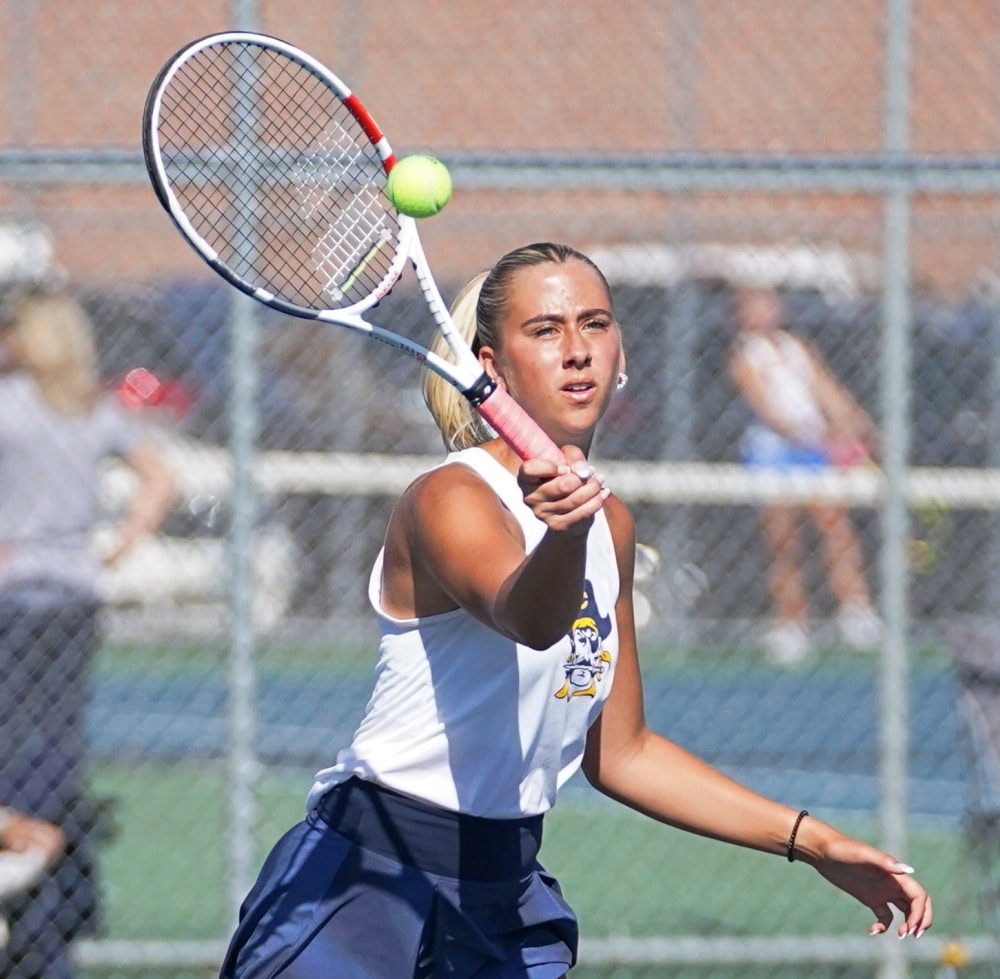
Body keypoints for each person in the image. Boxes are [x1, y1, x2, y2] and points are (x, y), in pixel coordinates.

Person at [219, 243, 931, 979]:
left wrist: (813, 842)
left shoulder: (606, 522)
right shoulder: (451, 498)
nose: (577, 350)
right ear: (490, 366)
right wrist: (564, 535)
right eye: (546, 329)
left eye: (594, 324)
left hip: (502, 890)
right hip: (366, 881)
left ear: (621, 354)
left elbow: (621, 753)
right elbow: (527, 615)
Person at [0, 287, 176, 979]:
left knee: (14, 750)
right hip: (72, 598)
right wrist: (118, 543)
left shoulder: (11, 405)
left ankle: (26, 862)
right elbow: (158, 476)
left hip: (14, 598)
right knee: (51, 749)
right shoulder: (91, 411)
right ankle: (44, 904)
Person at [728, 283, 884, 665]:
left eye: (769, 301)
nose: (766, 309)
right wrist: (816, 437)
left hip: (815, 453)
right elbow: (768, 410)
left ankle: (856, 613)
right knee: (785, 540)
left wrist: (855, 423)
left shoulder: (796, 347)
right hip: (775, 456)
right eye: (756, 303)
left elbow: (828, 391)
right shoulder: (744, 356)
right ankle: (791, 623)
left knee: (836, 528)